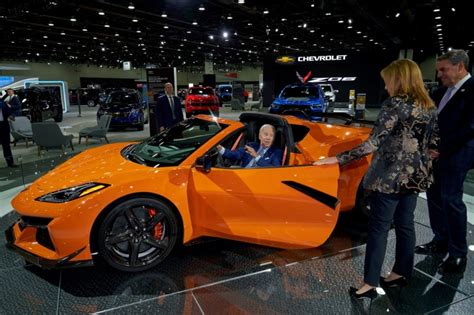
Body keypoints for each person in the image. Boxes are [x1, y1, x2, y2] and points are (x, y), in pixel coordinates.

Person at [314, 59, 438, 299]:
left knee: (379, 228)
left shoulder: (394, 104)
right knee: (405, 225)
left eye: (387, 80)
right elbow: (433, 146)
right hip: (415, 177)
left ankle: (370, 282)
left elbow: (373, 142)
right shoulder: (428, 106)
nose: (386, 85)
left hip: (389, 179)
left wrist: (338, 159)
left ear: (398, 79)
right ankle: (402, 273)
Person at [415, 49, 474, 273]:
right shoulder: (441, 93)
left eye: (443, 69)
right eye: (438, 70)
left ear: (460, 67)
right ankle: (440, 240)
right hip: (435, 155)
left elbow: (469, 127)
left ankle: (458, 253)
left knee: (451, 199)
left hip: (458, 154)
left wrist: (440, 148)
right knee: (434, 197)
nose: (439, 74)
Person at [217, 124, 283, 167]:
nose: (268, 138)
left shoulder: (276, 152)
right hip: (243, 174)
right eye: (266, 134)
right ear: (260, 136)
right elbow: (235, 155)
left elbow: (275, 169)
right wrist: (220, 149)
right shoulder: (251, 145)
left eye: (271, 135)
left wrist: (256, 156)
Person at [0, 98, 17, 167]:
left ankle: (10, 162)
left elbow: (8, 113)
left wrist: (12, 117)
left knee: (6, 145)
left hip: (4, 126)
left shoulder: (3, 103)